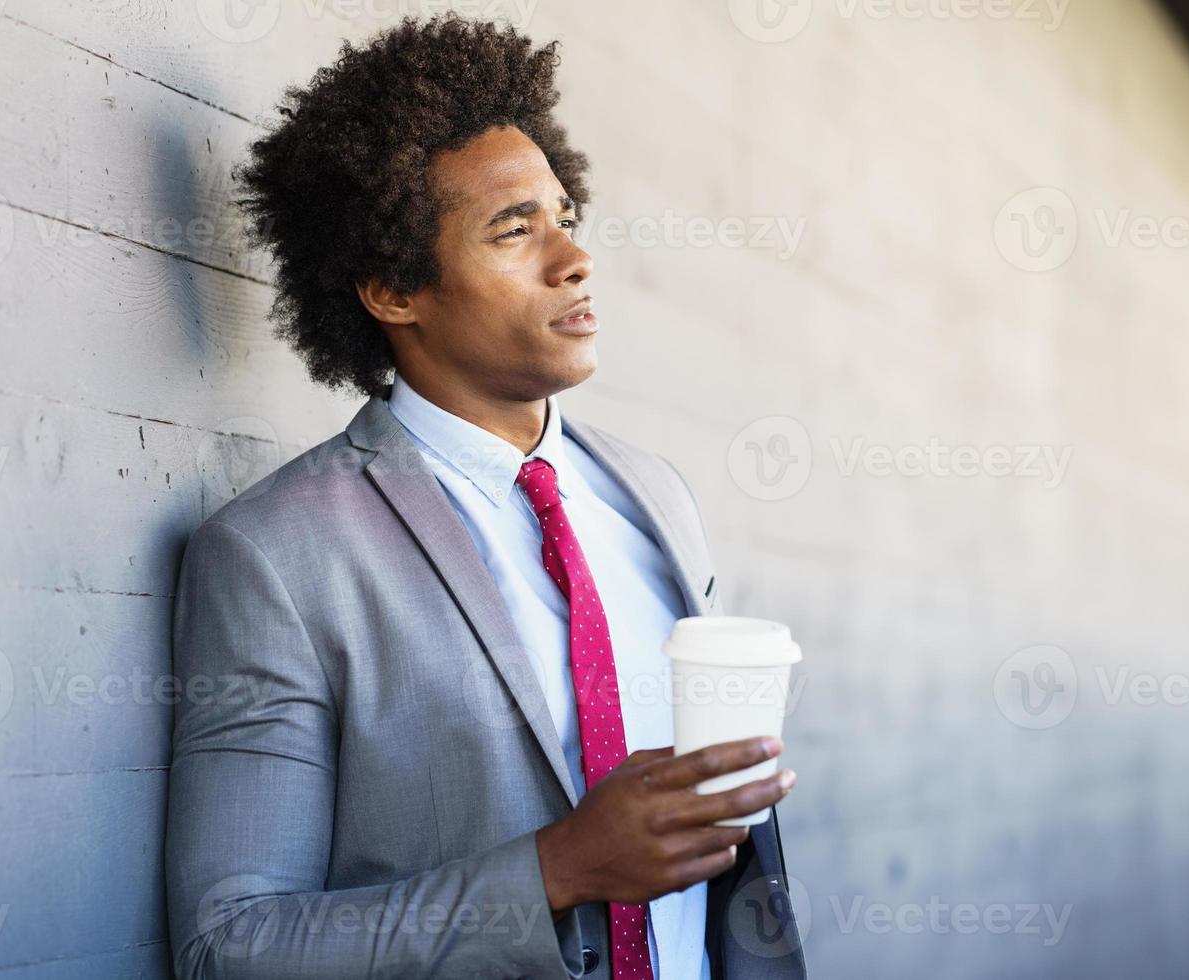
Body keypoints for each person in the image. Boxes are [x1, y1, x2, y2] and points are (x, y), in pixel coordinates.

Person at [165, 13, 806, 979]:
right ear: (391, 289)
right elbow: (232, 945)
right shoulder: (276, 557)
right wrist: (556, 869)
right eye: (514, 230)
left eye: (565, 218)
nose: (572, 258)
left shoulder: (655, 498)